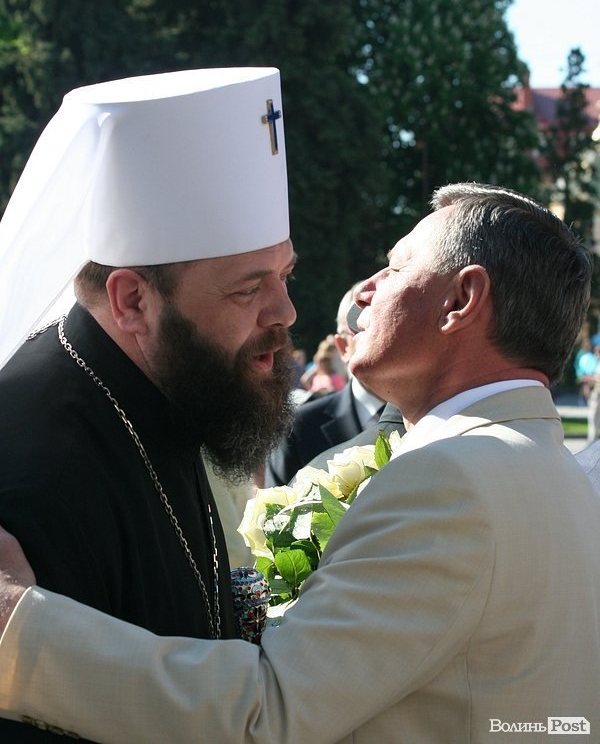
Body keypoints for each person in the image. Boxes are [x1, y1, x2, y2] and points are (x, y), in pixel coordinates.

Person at [1, 182, 600, 743]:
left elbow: (267, 716)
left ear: (462, 300)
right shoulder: (560, 475)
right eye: (248, 286)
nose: (366, 289)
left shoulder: (452, 477)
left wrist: (17, 631)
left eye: (394, 267)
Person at [0, 67, 297, 739]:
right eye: (248, 289)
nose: (286, 311)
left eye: (286, 274)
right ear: (133, 300)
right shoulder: (31, 467)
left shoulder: (177, 394)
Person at [265, 283, 386, 486]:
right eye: (365, 327)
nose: (382, 336)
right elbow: (274, 512)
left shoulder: (436, 415)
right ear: (343, 346)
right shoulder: (299, 428)